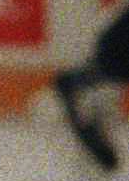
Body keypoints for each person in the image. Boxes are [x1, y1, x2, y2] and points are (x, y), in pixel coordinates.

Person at [42, 11, 126, 172]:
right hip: (112, 56)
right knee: (112, 63)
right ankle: (81, 83)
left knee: (111, 64)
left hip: (110, 57)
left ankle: (82, 82)